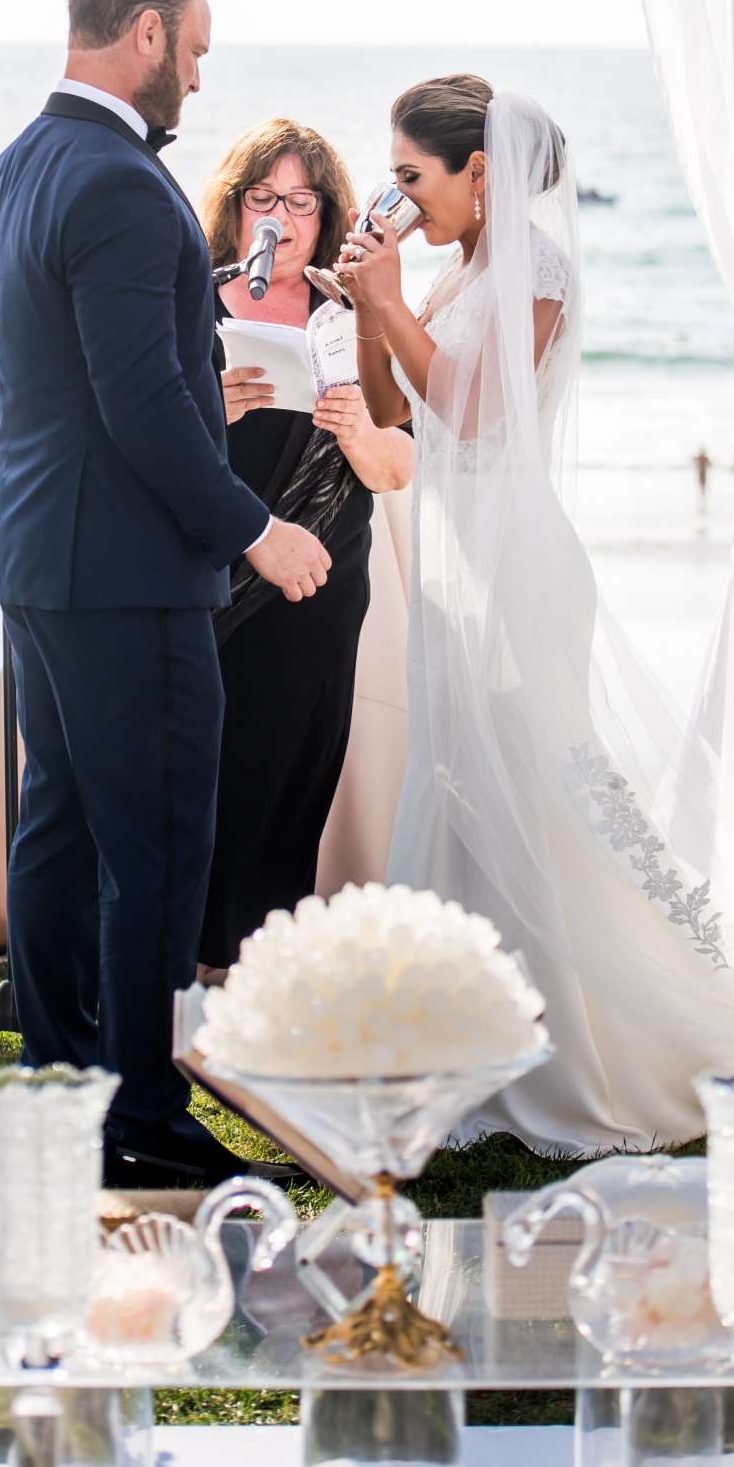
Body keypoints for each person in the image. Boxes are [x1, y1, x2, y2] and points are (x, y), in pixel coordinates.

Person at [336, 74, 734, 1153]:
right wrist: (364, 313)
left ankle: (589, 1049)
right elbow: (400, 417)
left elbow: (471, 417)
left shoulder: (540, 270)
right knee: (464, 789)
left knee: (542, 805)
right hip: (456, 568)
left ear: (481, 173)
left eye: (412, 177)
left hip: (521, 577)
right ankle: (459, 1046)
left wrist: (386, 302)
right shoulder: (458, 272)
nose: (400, 200)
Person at [0, 0, 330, 1184]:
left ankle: (61, 1094)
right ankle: (138, 1126)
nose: (197, 77)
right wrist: (257, 529)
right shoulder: (120, 182)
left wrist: (191, 351)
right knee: (161, 847)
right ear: (146, 36)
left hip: (39, 555)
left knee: (60, 831)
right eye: (196, 49)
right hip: (125, 571)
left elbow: (82, 379)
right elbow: (137, 409)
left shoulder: (17, 166)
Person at [199, 122, 414, 975]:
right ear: (235, 207)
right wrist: (204, 410)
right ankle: (182, 951)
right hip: (210, 560)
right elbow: (140, 440)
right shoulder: (192, 302)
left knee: (289, 761)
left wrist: (360, 427)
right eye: (262, 199)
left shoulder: (359, 315)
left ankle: (257, 957)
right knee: (200, 760)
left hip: (321, 575)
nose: (280, 219)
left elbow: (398, 469)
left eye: (300, 201)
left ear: (327, 215)